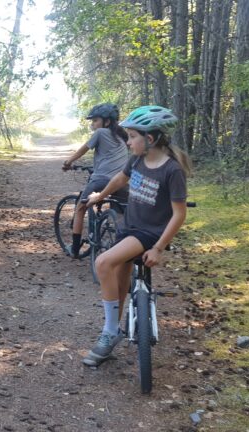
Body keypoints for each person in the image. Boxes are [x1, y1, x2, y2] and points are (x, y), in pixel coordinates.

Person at [81, 105, 193, 366]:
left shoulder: (171, 170)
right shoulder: (137, 160)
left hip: (151, 233)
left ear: (150, 139)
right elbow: (120, 180)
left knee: (103, 263)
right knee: (120, 282)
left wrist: (158, 248)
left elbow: (179, 214)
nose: (128, 142)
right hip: (130, 227)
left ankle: (110, 333)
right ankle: (115, 328)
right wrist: (101, 195)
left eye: (132, 137)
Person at [61, 103, 129, 258]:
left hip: (101, 180)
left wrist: (68, 162)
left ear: (107, 121)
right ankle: (120, 246)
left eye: (95, 120)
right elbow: (110, 159)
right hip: (121, 182)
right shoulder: (123, 137)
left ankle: (75, 249)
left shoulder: (101, 132)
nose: (93, 124)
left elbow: (84, 148)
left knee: (80, 208)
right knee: (119, 213)